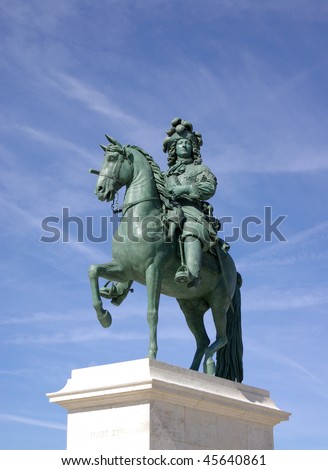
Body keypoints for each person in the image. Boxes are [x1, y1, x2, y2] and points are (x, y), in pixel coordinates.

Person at [162, 117, 219, 287]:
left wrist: (185, 189)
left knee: (190, 229)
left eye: (187, 143)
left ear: (193, 147)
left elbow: (210, 187)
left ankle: (192, 272)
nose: (184, 146)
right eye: (180, 143)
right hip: (167, 210)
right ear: (174, 148)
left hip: (191, 211)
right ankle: (122, 285)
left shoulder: (201, 169)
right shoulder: (165, 175)